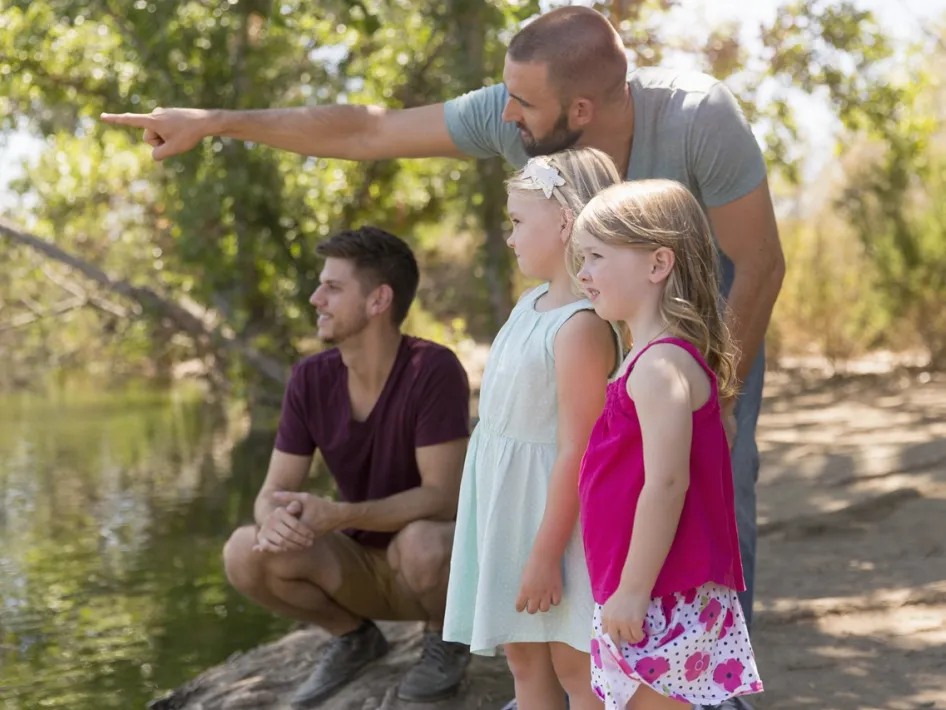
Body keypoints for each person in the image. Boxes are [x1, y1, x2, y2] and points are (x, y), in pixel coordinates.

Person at [101, 8, 785, 708]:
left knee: (705, 485)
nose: (505, 113)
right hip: (600, 331)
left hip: (700, 327)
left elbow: (758, 263)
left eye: (523, 103)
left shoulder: (699, 118)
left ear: (579, 109)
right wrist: (217, 121)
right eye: (506, 94)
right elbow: (369, 129)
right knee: (606, 493)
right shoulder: (519, 122)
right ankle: (603, 673)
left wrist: (718, 397)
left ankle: (708, 685)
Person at [222, 226, 473, 707]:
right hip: (354, 570)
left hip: (427, 567)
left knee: (424, 541)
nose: (316, 298)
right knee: (242, 550)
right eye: (321, 286)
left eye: (333, 288)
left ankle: (447, 639)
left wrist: (339, 515)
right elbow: (271, 492)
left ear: (379, 300)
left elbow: (444, 496)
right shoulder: (309, 379)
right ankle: (355, 637)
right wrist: (272, 521)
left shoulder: (433, 369)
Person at [571, 179, 763, 709]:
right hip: (642, 586)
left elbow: (667, 483)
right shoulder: (644, 360)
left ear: (658, 265)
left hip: (662, 591)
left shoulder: (660, 366)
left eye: (595, 257)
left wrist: (633, 589)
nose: (582, 273)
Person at [444, 147, 622, 710]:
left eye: (519, 222)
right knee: (523, 655)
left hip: (555, 518)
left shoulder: (580, 328)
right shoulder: (530, 305)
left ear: (565, 223)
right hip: (509, 506)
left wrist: (547, 553)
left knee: (574, 658)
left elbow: (578, 447)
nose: (510, 236)